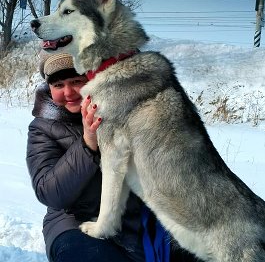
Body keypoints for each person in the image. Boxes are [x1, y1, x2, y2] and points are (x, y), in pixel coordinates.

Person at [26, 52, 203, 262]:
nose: (69, 92)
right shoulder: (43, 128)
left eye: (76, 81)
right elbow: (51, 193)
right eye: (58, 85)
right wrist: (87, 144)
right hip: (75, 224)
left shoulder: (127, 109)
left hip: (141, 220)